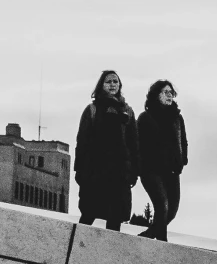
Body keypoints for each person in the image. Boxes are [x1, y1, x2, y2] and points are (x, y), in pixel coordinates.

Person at [74, 69, 137, 231]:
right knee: (88, 214)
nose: (112, 84)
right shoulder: (92, 110)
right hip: (95, 172)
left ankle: (110, 255)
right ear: (101, 85)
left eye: (115, 81)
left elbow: (134, 144)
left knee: (115, 218)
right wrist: (79, 170)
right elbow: (82, 142)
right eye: (108, 81)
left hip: (119, 173)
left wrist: (134, 172)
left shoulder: (127, 111)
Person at [137, 79, 186, 241]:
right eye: (165, 92)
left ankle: (147, 236)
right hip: (152, 171)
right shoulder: (145, 118)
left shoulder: (177, 118)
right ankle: (162, 244)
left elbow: (183, 141)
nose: (169, 95)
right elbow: (138, 144)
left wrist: (182, 160)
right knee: (162, 207)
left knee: (171, 211)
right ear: (156, 95)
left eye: (171, 92)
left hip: (172, 172)